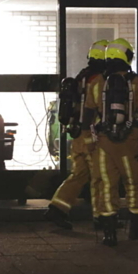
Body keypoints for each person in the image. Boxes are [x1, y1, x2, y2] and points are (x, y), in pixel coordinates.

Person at [82, 39, 138, 247]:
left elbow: (87, 116)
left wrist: (89, 142)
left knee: (107, 185)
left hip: (104, 144)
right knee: (135, 185)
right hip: (130, 142)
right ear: (128, 57)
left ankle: (109, 232)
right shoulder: (137, 83)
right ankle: (137, 228)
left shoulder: (97, 83)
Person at [45, 40, 109, 229]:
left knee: (79, 175)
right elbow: (98, 109)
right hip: (92, 137)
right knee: (99, 177)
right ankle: (102, 218)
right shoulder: (100, 80)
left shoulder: (82, 77)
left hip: (78, 136)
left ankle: (57, 209)